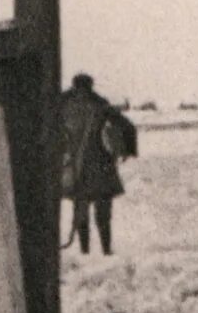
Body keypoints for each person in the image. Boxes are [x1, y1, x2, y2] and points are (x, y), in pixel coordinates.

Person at [58, 73, 138, 254]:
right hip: (101, 168)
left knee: (81, 213)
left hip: (76, 169)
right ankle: (106, 251)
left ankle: (84, 251)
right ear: (90, 86)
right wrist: (127, 150)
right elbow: (127, 126)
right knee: (103, 215)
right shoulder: (100, 105)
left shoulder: (62, 105)